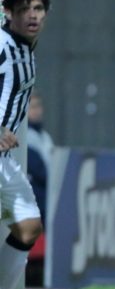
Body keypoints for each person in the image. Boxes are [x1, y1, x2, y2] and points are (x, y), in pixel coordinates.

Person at [0, 0, 52, 289]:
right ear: (8, 12)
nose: (32, 15)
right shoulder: (3, 45)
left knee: (29, 226)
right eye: (23, 9)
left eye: (38, 8)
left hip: (3, 161)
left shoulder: (26, 49)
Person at [26, 92, 55, 225]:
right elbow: (41, 172)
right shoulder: (22, 139)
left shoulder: (45, 137)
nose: (37, 111)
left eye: (38, 106)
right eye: (32, 107)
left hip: (47, 204)